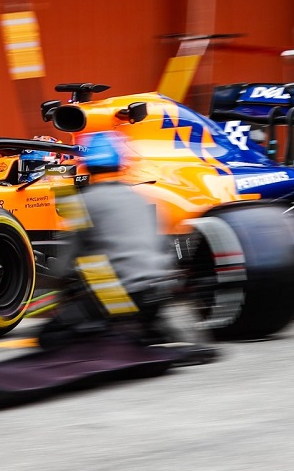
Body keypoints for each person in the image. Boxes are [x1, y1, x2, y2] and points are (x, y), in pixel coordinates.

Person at [42, 131, 218, 363]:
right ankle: (145, 333)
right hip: (159, 293)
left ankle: (115, 340)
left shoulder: (83, 203)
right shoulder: (142, 199)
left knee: (49, 336)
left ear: (87, 168)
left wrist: (57, 293)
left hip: (123, 297)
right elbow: (163, 249)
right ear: (120, 165)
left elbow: (66, 264)